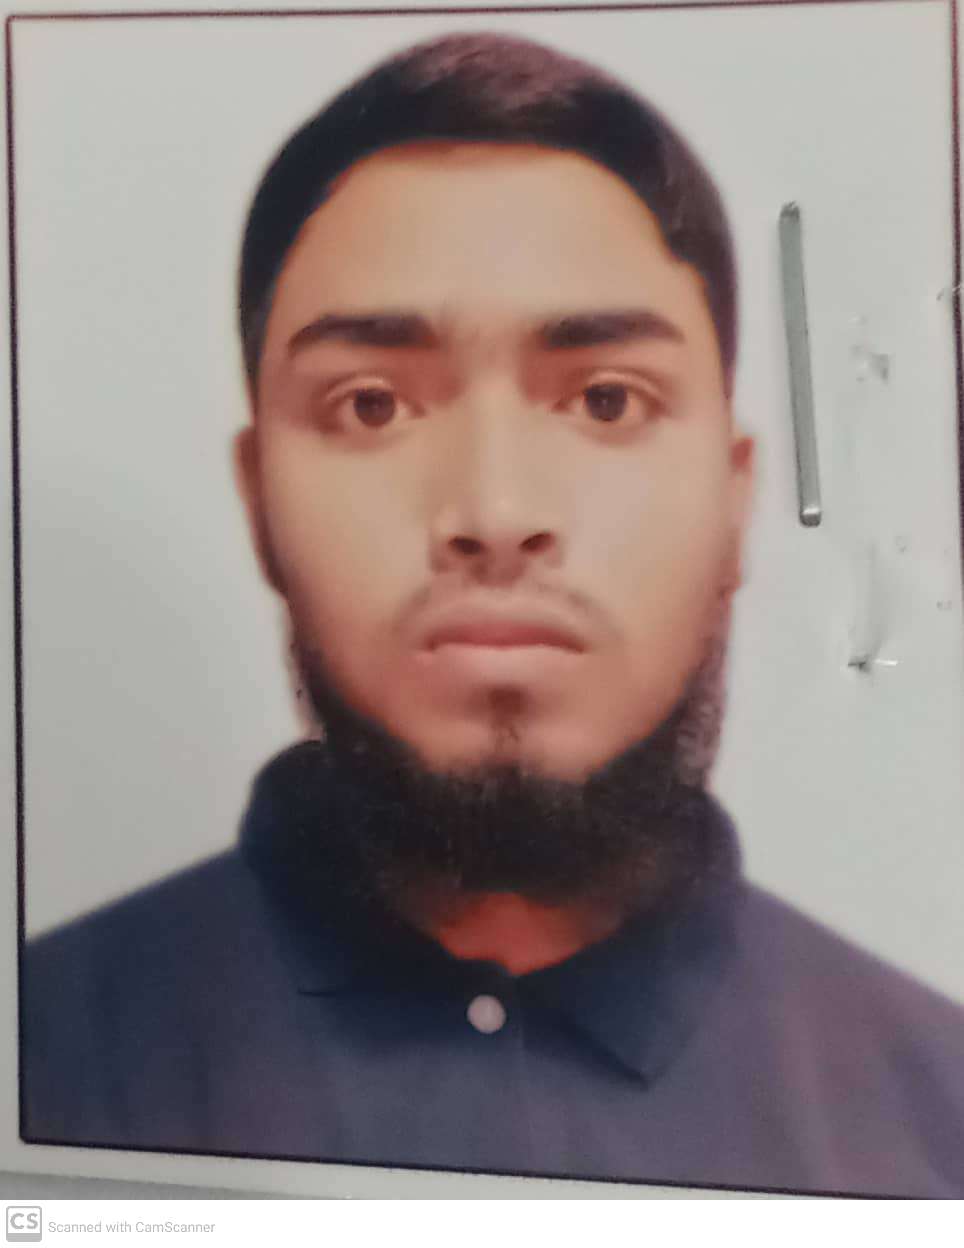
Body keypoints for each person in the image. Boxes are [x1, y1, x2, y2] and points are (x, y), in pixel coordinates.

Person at [22, 32, 964, 1197]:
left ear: (734, 504)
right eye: (371, 405)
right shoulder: (40, 1062)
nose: (495, 512)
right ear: (258, 501)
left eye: (605, 399)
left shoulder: (938, 1120)